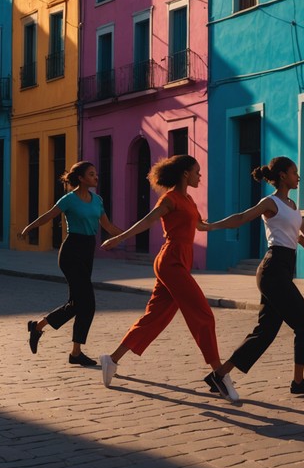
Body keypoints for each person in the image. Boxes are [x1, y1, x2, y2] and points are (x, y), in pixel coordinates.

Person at [98, 154, 237, 401]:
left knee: (155, 317)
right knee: (203, 314)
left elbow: (202, 227)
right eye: (197, 171)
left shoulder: (189, 201)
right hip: (170, 261)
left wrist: (231, 222)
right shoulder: (170, 199)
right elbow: (147, 220)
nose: (199, 176)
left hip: (180, 261)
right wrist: (120, 238)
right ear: (185, 173)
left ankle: (112, 359)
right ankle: (219, 373)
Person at [204, 157, 304, 398]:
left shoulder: (291, 205)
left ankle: (218, 374)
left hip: (282, 269)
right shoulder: (269, 202)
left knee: (266, 331)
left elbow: (303, 233)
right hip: (273, 269)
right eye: (294, 172)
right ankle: (298, 383)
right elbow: (241, 217)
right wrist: (210, 227)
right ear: (282, 176)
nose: (297, 176)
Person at [19, 161, 122, 366]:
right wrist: (28, 228)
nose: (96, 177)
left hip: (87, 251)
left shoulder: (97, 200)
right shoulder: (69, 199)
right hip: (71, 251)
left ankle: (40, 328)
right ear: (81, 178)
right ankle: (74, 351)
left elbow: (108, 226)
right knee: (88, 303)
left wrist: (130, 233)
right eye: (91, 174)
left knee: (77, 303)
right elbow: (48, 216)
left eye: (96, 174)